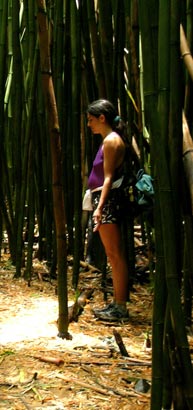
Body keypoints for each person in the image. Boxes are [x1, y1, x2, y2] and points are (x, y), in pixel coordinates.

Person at [87, 99, 129, 322]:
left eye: (91, 119)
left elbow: (109, 177)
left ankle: (120, 307)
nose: (88, 124)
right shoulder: (108, 140)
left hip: (108, 201)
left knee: (114, 254)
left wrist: (100, 207)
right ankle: (116, 303)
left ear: (102, 118)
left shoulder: (112, 141)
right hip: (105, 200)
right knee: (113, 254)